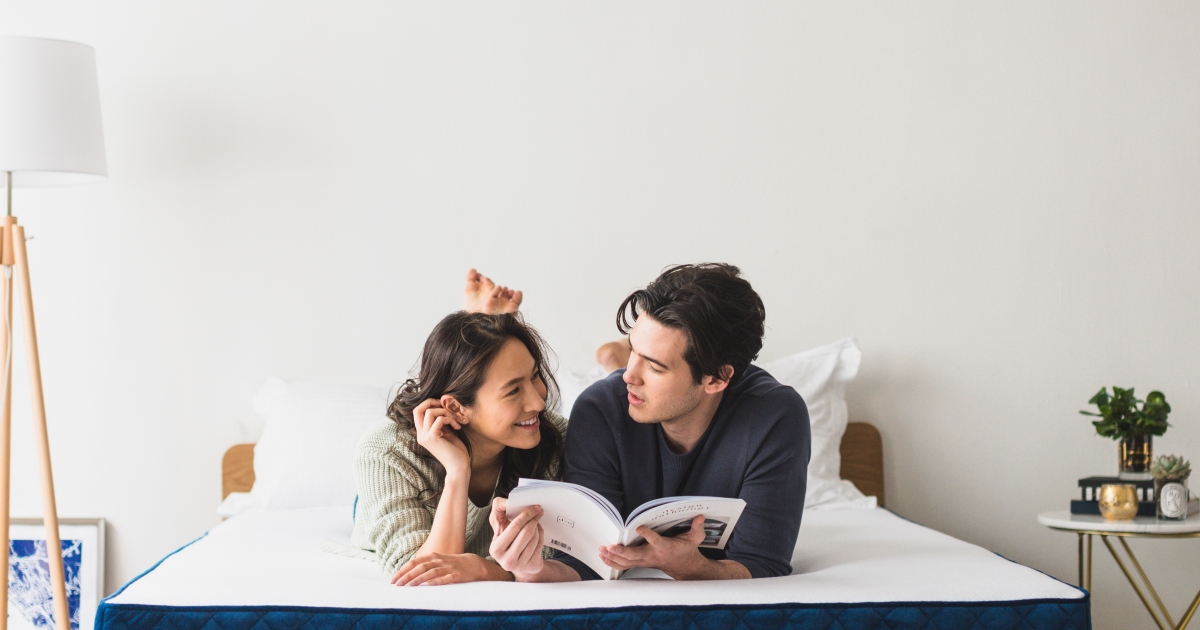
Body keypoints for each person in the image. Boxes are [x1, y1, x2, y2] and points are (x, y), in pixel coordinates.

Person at [488, 263, 811, 582]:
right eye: (632, 352)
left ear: (716, 378)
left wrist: (693, 568)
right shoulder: (599, 410)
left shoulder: (776, 418)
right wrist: (530, 569)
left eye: (655, 368)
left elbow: (763, 564)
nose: (630, 376)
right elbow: (585, 564)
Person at [350, 270, 566, 586]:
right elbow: (419, 574)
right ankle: (476, 329)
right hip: (393, 495)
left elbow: (552, 558)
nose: (538, 403)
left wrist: (481, 568)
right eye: (513, 390)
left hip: (462, 425)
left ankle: (480, 331)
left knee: (485, 360)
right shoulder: (386, 450)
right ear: (455, 408)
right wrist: (457, 471)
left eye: (534, 376)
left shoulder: (553, 436)